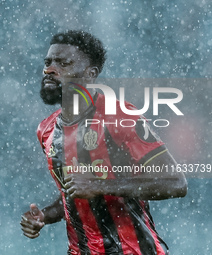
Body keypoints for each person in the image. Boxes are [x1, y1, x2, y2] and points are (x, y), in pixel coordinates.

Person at [20, 30, 187, 255]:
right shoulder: (46, 129)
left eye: (63, 63)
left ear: (90, 74)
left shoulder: (121, 117)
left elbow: (175, 183)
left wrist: (100, 186)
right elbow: (75, 194)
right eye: (48, 62)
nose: (49, 69)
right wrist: (45, 215)